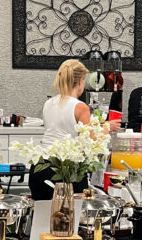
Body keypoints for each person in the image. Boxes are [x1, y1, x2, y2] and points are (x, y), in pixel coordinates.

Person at [29, 59, 119, 200]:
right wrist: (108, 127)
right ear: (81, 80)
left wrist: (96, 126)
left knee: (42, 212)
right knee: (70, 212)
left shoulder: (48, 103)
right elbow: (90, 141)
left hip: (39, 168)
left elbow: (63, 128)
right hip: (64, 170)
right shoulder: (80, 107)